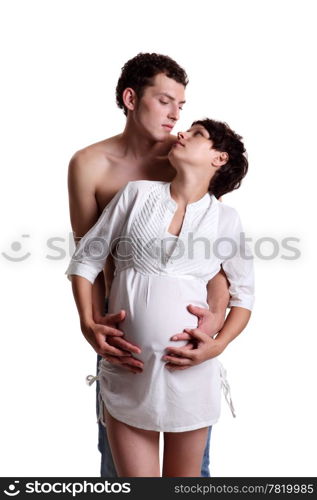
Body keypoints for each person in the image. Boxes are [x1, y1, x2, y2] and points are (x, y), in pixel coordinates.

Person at [67, 53, 230, 477]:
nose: (176, 115)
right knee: (118, 467)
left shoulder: (183, 159)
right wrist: (91, 327)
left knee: (195, 472)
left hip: (183, 343)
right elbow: (88, 256)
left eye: (181, 105)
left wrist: (212, 335)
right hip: (125, 341)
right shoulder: (89, 165)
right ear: (131, 98)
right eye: (165, 101)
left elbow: (214, 264)